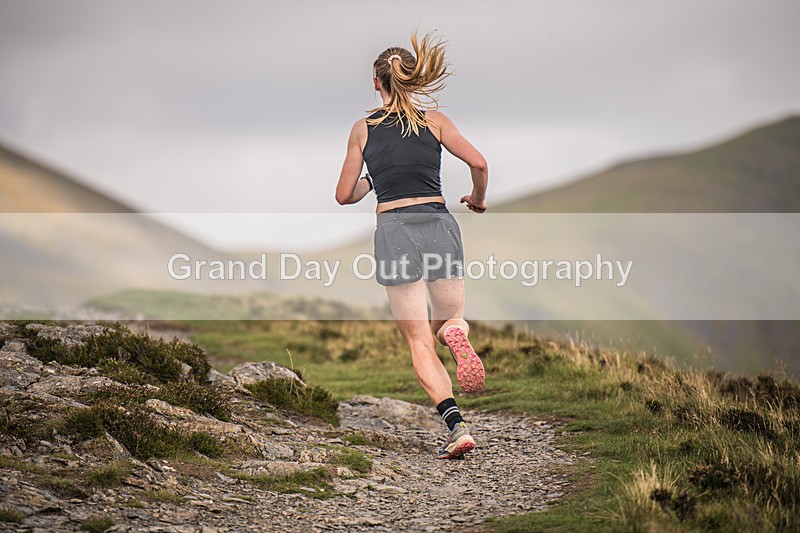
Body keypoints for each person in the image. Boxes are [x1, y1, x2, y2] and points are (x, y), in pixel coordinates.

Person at [335, 30, 488, 460]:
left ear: (376, 83)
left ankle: (457, 428)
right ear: (415, 79)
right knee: (447, 321)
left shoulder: (362, 129)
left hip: (394, 227)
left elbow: (343, 194)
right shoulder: (436, 122)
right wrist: (476, 199)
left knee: (419, 339)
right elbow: (478, 162)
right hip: (437, 220)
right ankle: (456, 333)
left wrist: (372, 181)